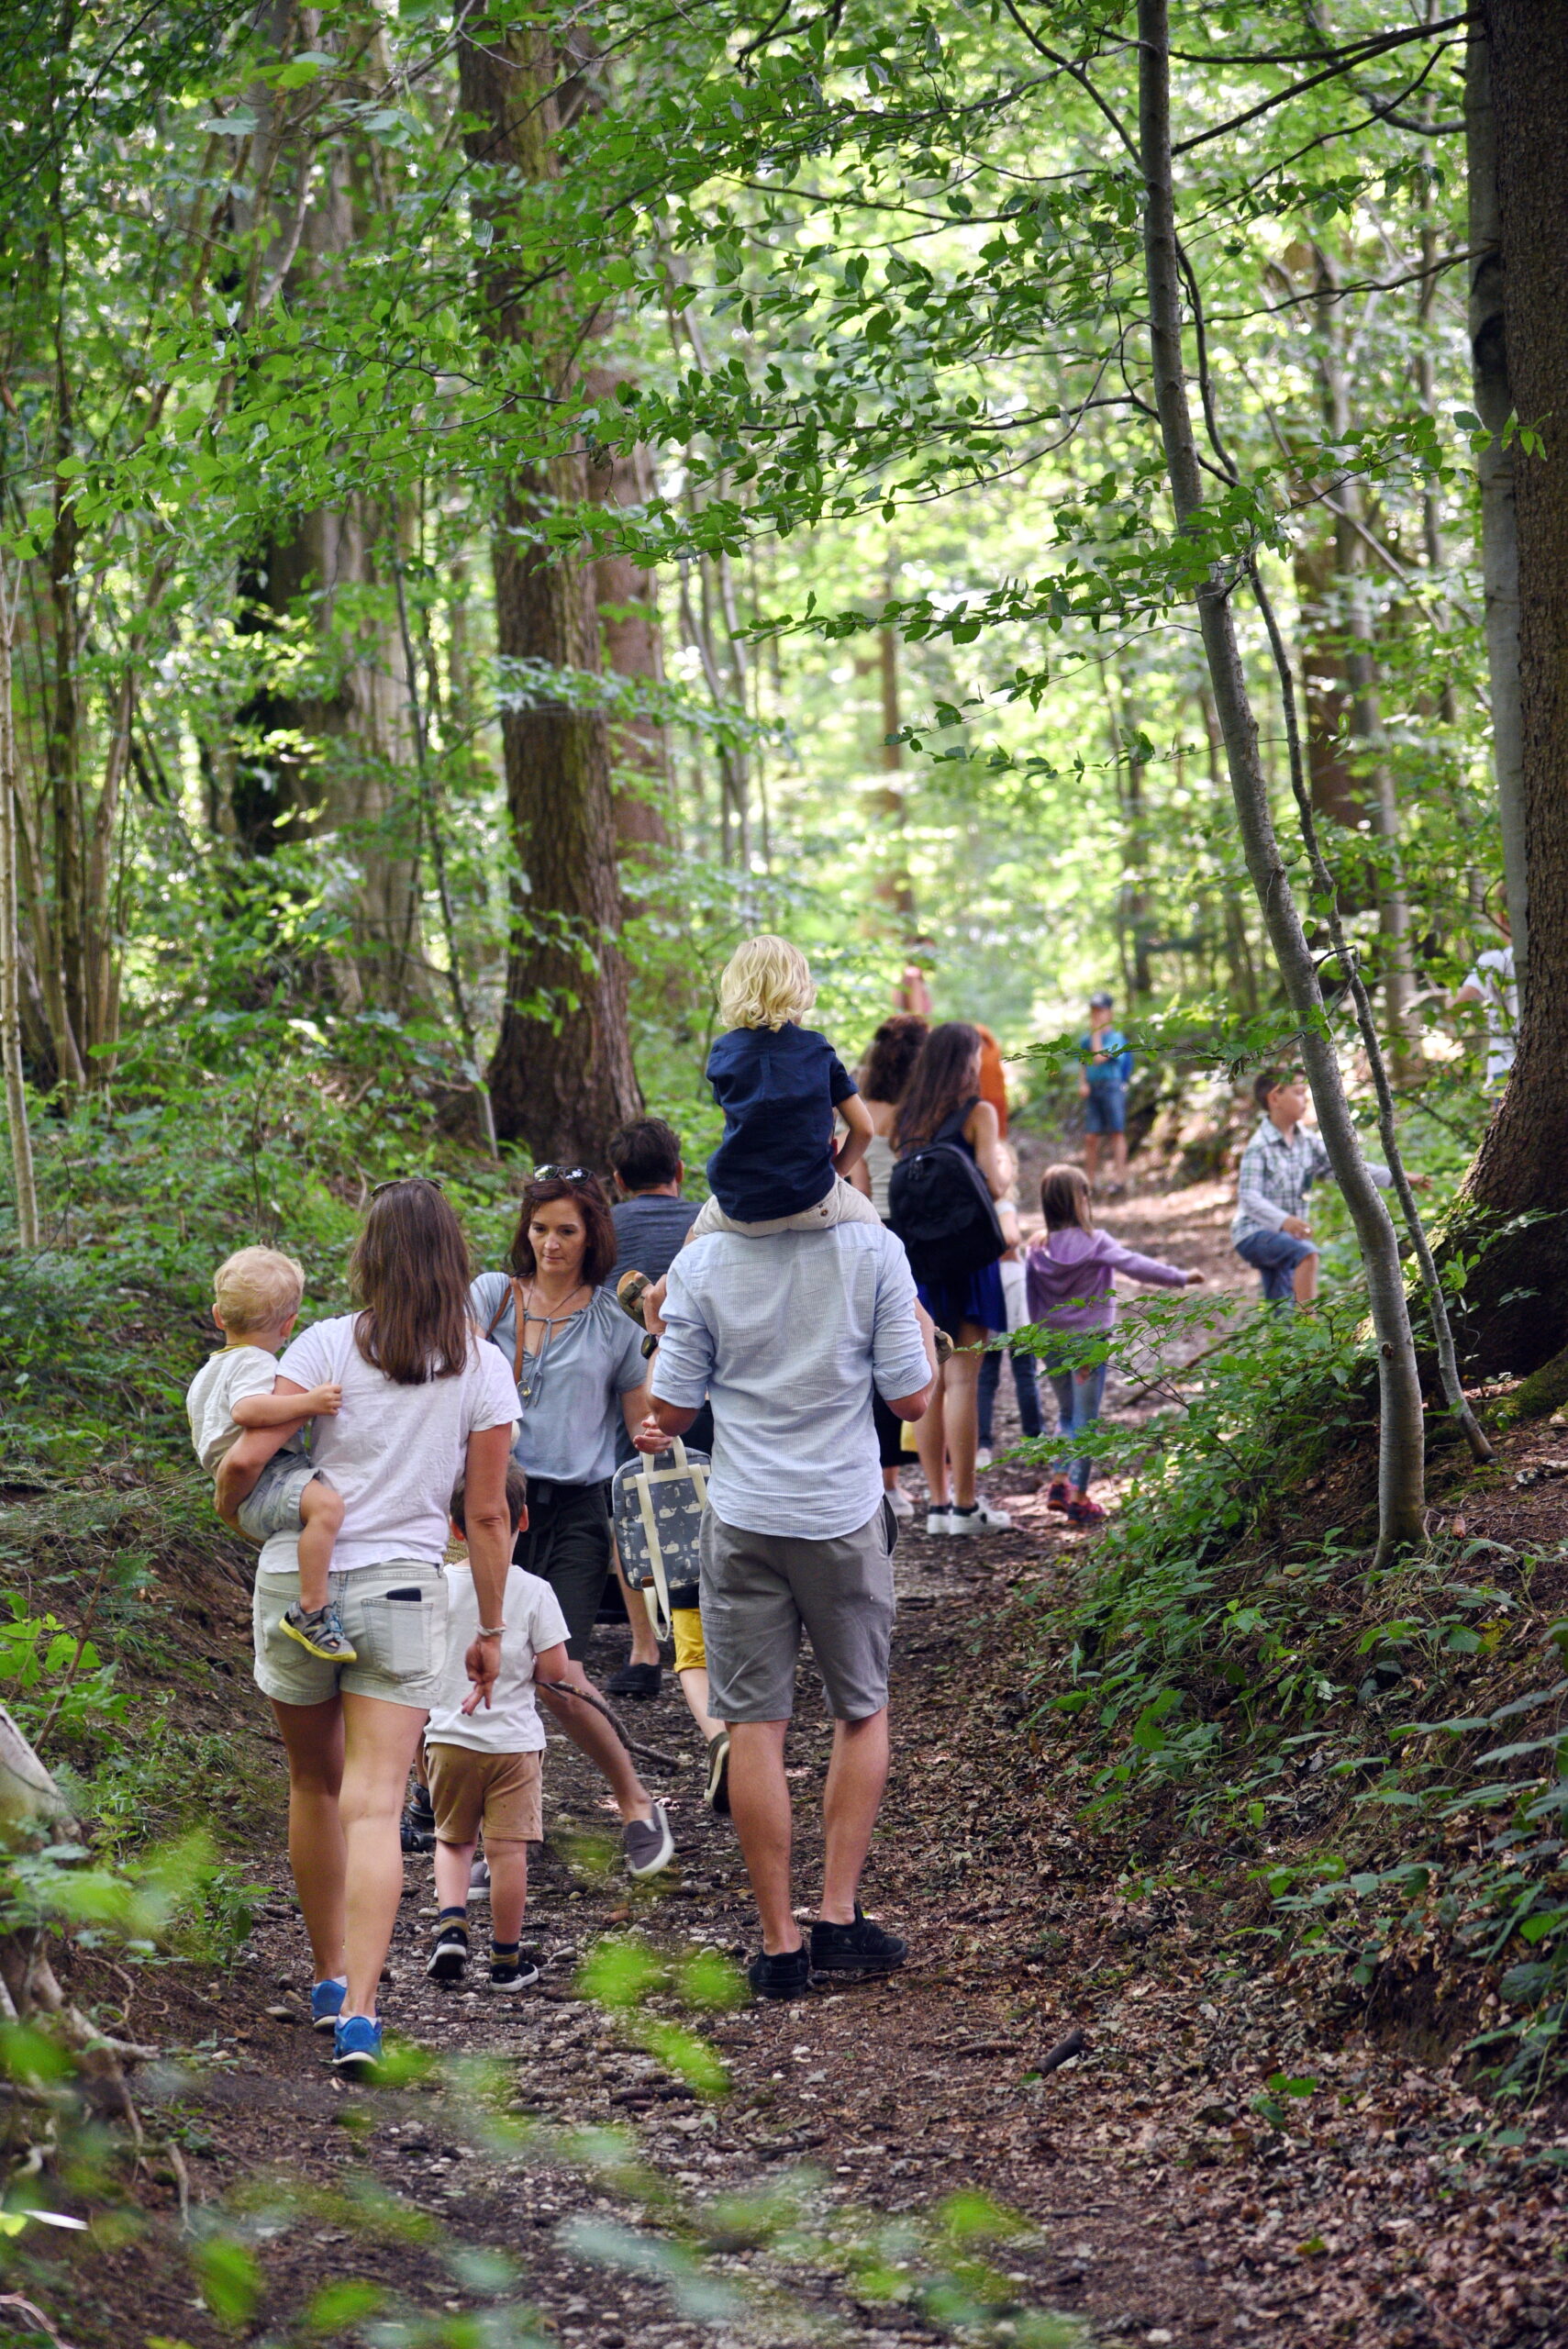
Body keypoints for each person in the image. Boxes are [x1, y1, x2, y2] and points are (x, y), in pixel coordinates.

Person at [214, 1178, 520, 2078]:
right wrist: (493, 1626)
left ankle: (325, 1974)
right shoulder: (482, 1363)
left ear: (367, 1255)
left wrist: (231, 1511)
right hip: (403, 1592)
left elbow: (243, 1457)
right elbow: (489, 1514)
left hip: (297, 1582)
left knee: (313, 1783)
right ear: (454, 1259)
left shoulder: (319, 1343)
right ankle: (361, 2014)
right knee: (379, 1804)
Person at [633, 1186, 936, 1999]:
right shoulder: (873, 1248)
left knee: (751, 1725)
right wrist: (924, 1342)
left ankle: (778, 1944)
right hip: (840, 1512)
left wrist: (665, 1323)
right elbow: (910, 1399)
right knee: (860, 1708)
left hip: (743, 1514)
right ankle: (837, 1915)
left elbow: (671, 1406)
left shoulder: (701, 1259)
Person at [470, 1172, 674, 1881]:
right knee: (479, 1664)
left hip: (581, 1510)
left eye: (566, 1231)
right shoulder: (489, 1297)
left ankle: (637, 1805)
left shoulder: (614, 1327)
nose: (550, 1244)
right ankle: (474, 1834)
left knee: (559, 1675)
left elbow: (639, 1423)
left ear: (592, 1238)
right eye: (539, 1228)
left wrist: (656, 1437)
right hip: (495, 1502)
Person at [602, 1118, 728, 1791]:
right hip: (708, 1391)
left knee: (639, 1511)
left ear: (616, 1179)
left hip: (636, 1390)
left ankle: (645, 1647)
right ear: (679, 1170)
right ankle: (715, 1636)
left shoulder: (604, 1228)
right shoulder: (707, 1225)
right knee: (707, 1508)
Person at [424, 1465, 569, 1994]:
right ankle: (505, 1961)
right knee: (507, 1853)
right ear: (523, 1520)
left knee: (453, 1841)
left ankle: (451, 1927)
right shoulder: (534, 1591)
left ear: (455, 1529)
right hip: (513, 1746)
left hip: (448, 1736)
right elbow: (554, 1672)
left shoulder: (439, 1585)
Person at [187, 1248, 350, 1661]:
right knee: (327, 1509)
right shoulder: (255, 1361)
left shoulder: (210, 1370)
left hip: (244, 1486)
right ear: (290, 1324)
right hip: (268, 1475)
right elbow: (248, 1410)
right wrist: (309, 1403)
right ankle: (311, 1610)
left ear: (218, 1316)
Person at [1024, 1163, 1204, 1526]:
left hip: (1050, 1341)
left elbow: (1029, 1294)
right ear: (1080, 1199)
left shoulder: (1037, 1249)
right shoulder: (1095, 1242)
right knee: (1086, 1419)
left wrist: (1037, 1333)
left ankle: (1058, 1483)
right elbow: (1136, 1266)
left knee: (1066, 1413)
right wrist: (1180, 1277)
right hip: (1089, 1343)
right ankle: (1079, 1497)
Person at [893, 1020, 1017, 1536]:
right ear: (966, 1062)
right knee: (965, 1375)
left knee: (933, 1374)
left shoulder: (908, 1118)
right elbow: (994, 1179)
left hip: (921, 1256)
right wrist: (1007, 1165)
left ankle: (938, 1506)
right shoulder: (978, 1113)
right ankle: (967, 1506)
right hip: (970, 1254)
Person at [1230, 1069, 1404, 1308]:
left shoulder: (1307, 1143)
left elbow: (1347, 1167)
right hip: (1252, 1233)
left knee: (1281, 1302)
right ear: (1274, 1099)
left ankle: (1284, 1338)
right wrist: (1284, 1220)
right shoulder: (1259, 1147)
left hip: (1284, 1235)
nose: (1306, 1099)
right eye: (1299, 1093)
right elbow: (1249, 1197)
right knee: (1306, 1255)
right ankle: (1311, 1327)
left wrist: (1398, 1178)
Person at [849, 1013, 929, 1520]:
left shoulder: (858, 1110)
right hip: (912, 1234)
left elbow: (857, 1182)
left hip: (865, 1230)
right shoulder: (917, 1113)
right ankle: (894, 1477)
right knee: (905, 1349)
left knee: (864, 1353)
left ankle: (881, 1480)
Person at [975, 1144, 1043, 1467]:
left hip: (994, 1285)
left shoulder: (985, 1201)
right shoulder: (1001, 1203)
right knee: (1009, 1369)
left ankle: (993, 1444)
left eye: (1002, 1161)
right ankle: (1028, 1441)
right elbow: (1011, 1239)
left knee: (1007, 1371)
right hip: (1006, 1285)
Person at [1451, 905, 1517, 1092]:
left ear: (1502, 918)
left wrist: (1450, 997)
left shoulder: (1494, 960)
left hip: (1506, 1068)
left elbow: (1455, 1008)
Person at [1078, 992, 1133, 1192]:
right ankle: (1089, 1182)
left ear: (1109, 1013)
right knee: (1091, 1137)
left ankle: (1120, 1180)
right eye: (1094, 1011)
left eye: (1100, 1011)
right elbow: (1085, 1062)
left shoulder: (1116, 1038)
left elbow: (1099, 1057)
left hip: (1112, 1087)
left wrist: (1096, 1033)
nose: (1096, 1015)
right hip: (1094, 1089)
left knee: (1116, 1133)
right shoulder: (1086, 1040)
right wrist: (1082, 1083)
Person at [974, 1023, 1010, 1139]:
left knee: (998, 1131)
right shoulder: (972, 1056)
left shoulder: (993, 1053)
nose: (981, 1043)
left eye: (983, 1040)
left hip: (996, 1098)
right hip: (980, 1098)